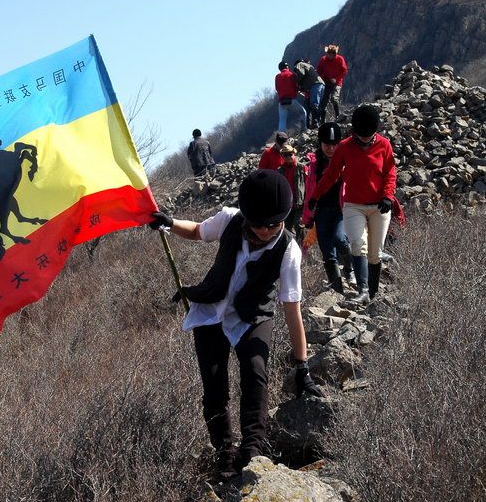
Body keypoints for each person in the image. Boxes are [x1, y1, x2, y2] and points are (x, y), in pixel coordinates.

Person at [150, 170, 320, 481]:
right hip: (211, 310)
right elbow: (199, 231)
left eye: (275, 224)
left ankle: (252, 451)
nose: (267, 230)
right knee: (214, 386)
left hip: (252, 315)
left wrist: (302, 367)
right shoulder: (230, 220)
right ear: (247, 217)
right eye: (259, 224)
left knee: (255, 372)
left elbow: (292, 311)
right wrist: (169, 223)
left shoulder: (289, 251)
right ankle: (224, 455)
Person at [309, 105, 397, 304]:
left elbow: (390, 172)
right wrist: (316, 196)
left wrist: (387, 196)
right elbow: (331, 174)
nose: (365, 139)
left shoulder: (384, 145)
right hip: (353, 205)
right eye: (361, 135)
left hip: (379, 206)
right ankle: (362, 290)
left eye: (368, 136)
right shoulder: (345, 147)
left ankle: (372, 293)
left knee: (375, 253)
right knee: (358, 245)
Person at [302, 123, 355, 293]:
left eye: (334, 145)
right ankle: (338, 290)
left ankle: (349, 269)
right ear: (320, 144)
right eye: (327, 145)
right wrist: (308, 217)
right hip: (321, 212)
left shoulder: (347, 161)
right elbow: (310, 191)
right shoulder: (314, 165)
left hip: (342, 210)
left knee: (340, 239)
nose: (331, 149)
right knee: (327, 254)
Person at [278, 143, 306, 243]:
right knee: (286, 227)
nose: (288, 157)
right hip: (287, 205)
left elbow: (308, 183)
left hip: (300, 203)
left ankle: (303, 247)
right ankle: (290, 246)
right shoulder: (280, 171)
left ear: (294, 154)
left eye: (290, 154)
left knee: (299, 224)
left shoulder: (301, 168)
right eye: (285, 155)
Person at [316, 45, 348, 122]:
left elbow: (344, 71)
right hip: (326, 82)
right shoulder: (323, 59)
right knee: (323, 102)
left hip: (337, 82)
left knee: (334, 99)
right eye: (327, 53)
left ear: (334, 54)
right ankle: (322, 121)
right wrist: (322, 77)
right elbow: (319, 70)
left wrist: (336, 79)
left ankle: (338, 116)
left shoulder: (340, 59)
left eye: (330, 53)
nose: (328, 55)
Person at [275, 61, 307, 132]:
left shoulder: (277, 77)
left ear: (280, 69)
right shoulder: (292, 75)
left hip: (281, 102)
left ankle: (281, 137)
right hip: (291, 100)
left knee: (282, 121)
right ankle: (304, 129)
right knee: (303, 112)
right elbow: (296, 87)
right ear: (287, 67)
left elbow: (277, 88)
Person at [293, 58, 325, 129]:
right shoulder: (309, 66)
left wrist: (297, 83)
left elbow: (301, 73)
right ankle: (316, 122)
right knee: (313, 105)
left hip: (315, 85)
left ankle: (316, 123)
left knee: (313, 104)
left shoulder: (299, 64)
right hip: (320, 85)